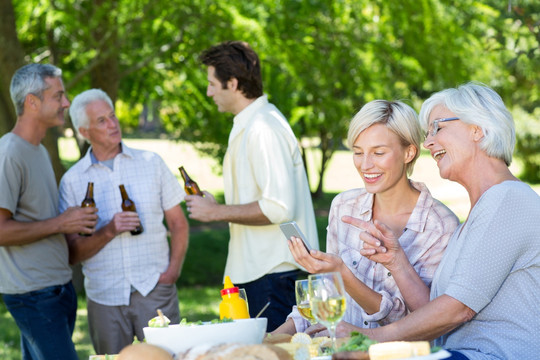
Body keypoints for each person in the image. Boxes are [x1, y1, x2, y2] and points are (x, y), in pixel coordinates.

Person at [332, 83, 540, 360]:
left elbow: (458, 309)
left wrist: (372, 341)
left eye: (437, 128)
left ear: (476, 129)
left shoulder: (509, 199)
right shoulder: (482, 211)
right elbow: (435, 309)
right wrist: (396, 262)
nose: (428, 143)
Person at [276, 100, 459, 335]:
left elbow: (423, 323)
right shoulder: (343, 207)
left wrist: (345, 275)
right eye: (358, 152)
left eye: (378, 153)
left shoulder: (440, 227)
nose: (365, 165)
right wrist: (271, 338)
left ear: (409, 152)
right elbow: (324, 301)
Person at [185, 40, 319, 331]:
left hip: (273, 278)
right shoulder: (251, 124)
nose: (208, 92)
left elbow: (279, 208)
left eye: (212, 84)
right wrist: (215, 207)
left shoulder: (263, 128)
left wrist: (216, 212)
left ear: (232, 83)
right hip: (262, 275)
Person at [58, 89, 189, 355]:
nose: (113, 124)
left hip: (154, 289)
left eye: (112, 115)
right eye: (102, 121)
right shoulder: (72, 181)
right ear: (84, 132)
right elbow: (72, 252)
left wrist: (171, 273)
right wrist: (108, 230)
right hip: (104, 298)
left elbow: (178, 224)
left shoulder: (151, 163)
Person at [0, 63, 98, 360]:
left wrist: (71, 223)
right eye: (58, 96)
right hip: (33, 294)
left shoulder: (39, 149)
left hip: (57, 289)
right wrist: (60, 223)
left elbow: (39, 219)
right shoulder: (9, 153)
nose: (66, 103)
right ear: (32, 102)